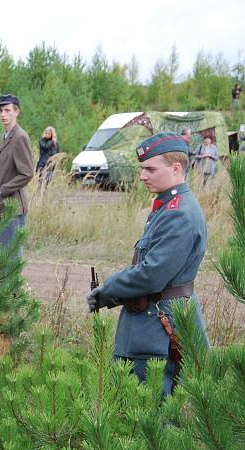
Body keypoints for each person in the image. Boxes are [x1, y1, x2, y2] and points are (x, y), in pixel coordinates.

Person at [86, 132, 208, 396]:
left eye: (150, 169)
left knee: (150, 415)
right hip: (151, 323)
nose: (143, 176)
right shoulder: (168, 207)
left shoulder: (179, 214)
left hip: (157, 329)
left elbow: (152, 275)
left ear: (176, 169)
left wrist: (108, 289)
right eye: (142, 169)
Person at [0, 94, 35, 248]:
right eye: (0, 111)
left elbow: (27, 173)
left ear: (16, 112)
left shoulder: (20, 136)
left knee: (9, 259)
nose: (3, 115)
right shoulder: (6, 136)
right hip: (2, 206)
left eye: (7, 110)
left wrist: (2, 191)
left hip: (13, 207)